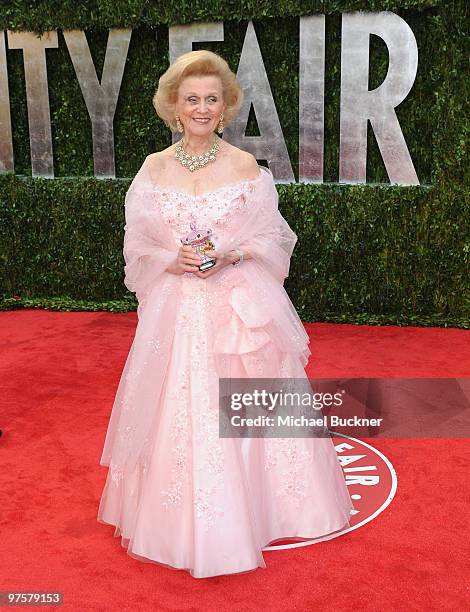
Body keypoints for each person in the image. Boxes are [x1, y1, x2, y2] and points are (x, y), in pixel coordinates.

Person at [97, 49, 354, 579]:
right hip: (176, 308)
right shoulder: (153, 168)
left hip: (235, 306)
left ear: (226, 107)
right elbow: (137, 245)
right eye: (191, 99)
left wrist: (232, 254)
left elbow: (273, 238)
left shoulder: (244, 167)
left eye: (211, 99)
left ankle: (267, 510)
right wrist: (173, 259)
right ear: (173, 106)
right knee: (177, 402)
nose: (201, 107)